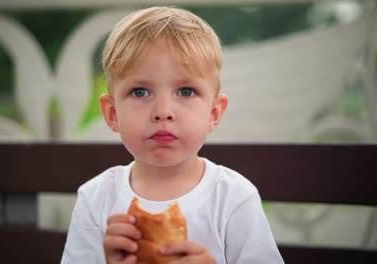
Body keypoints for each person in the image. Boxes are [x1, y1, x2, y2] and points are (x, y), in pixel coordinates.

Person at [61, 6, 284, 264]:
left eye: (186, 92)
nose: (163, 112)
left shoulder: (233, 197)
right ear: (112, 114)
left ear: (213, 112)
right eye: (140, 92)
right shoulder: (96, 199)